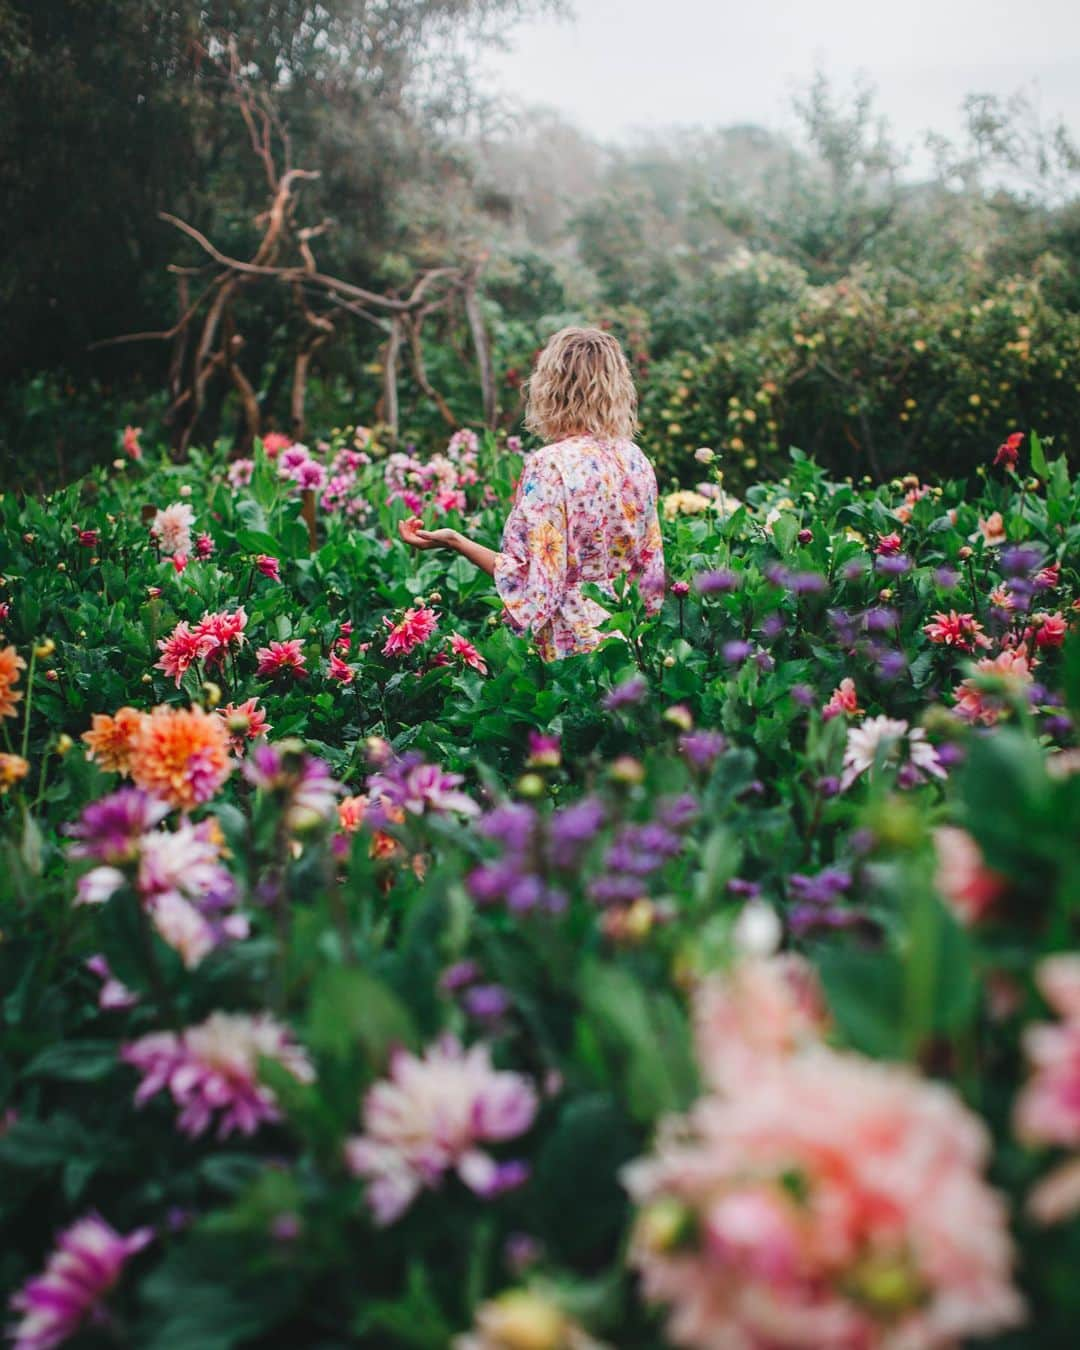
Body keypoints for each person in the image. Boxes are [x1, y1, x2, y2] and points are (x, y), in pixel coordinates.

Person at [398, 326, 665, 661]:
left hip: (572, 649)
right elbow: (651, 575)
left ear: (552, 387)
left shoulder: (551, 465)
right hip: (627, 642)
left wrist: (456, 542)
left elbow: (534, 582)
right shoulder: (635, 459)